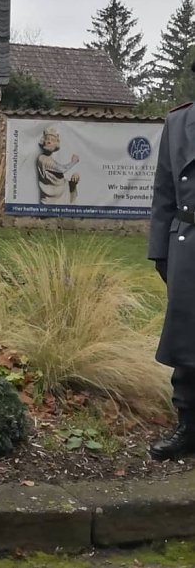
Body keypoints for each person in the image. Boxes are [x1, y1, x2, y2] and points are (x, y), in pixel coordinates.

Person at [147, 59, 195, 461]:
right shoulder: (178, 122)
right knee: (186, 337)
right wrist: (160, 251)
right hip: (188, 241)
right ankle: (187, 426)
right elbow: (164, 190)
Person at [36, 126, 80, 204]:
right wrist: (73, 162)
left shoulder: (51, 159)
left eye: (52, 140)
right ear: (43, 141)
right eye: (47, 139)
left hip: (61, 200)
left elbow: (61, 182)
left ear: (56, 144)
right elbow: (61, 169)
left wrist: (73, 182)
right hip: (50, 202)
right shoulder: (42, 159)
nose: (49, 142)